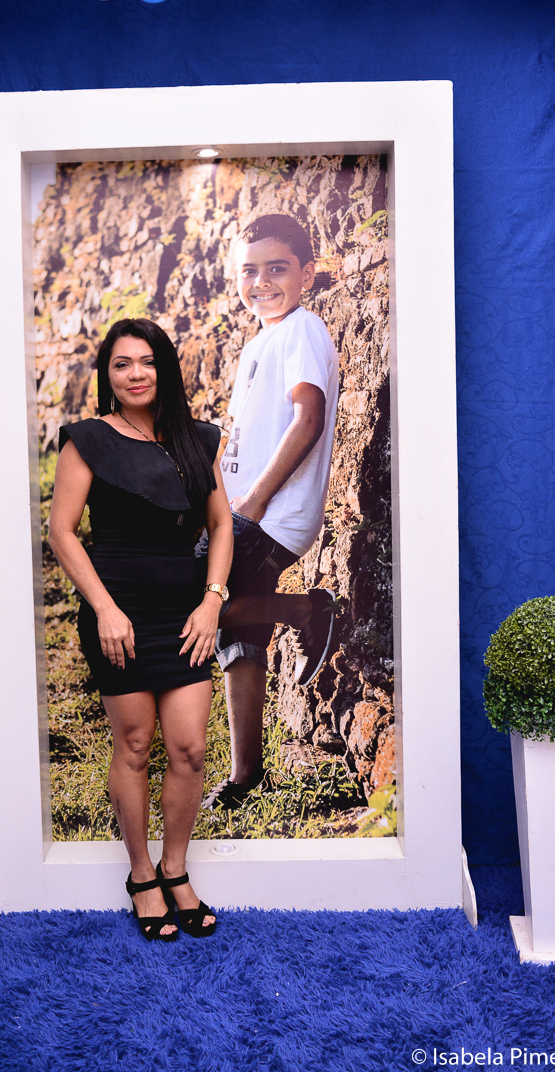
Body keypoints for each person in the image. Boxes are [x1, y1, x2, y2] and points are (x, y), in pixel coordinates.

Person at [49, 317, 233, 942]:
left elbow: (222, 525)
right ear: (108, 373)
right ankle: (140, 874)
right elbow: (62, 531)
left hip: (186, 617)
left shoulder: (196, 439)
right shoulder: (87, 441)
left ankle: (175, 868)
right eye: (122, 363)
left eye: (147, 361)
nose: (135, 374)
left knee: (189, 749)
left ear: (164, 369)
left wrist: (212, 602)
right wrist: (104, 608)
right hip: (118, 615)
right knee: (133, 746)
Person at [200, 214, 342, 812]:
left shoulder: (303, 329)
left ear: (306, 273)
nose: (261, 282)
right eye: (249, 271)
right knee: (238, 634)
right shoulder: (260, 342)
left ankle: (307, 610)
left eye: (277, 269)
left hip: (270, 514)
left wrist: (253, 503)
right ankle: (244, 776)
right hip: (240, 510)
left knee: (198, 610)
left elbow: (308, 420)